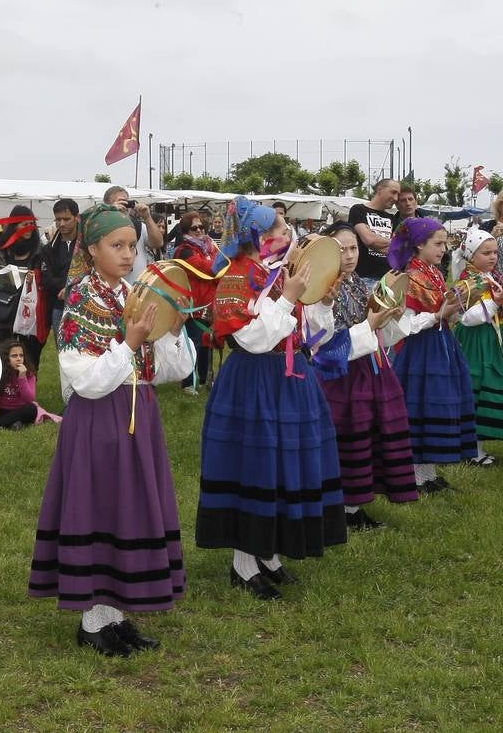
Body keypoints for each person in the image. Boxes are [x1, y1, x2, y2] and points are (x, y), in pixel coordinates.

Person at [29, 203, 193, 657]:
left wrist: (172, 333)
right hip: (99, 418)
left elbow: (164, 372)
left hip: (139, 414)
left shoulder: (131, 294)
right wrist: (132, 343)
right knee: (99, 507)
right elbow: (86, 381)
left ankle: (116, 615)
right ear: (93, 247)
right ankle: (92, 620)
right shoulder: (80, 296)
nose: (126, 254)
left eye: (132, 246)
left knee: (128, 508)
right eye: (116, 245)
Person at [195, 198, 345, 600]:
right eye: (277, 231)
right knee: (256, 465)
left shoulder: (277, 272)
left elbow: (307, 332)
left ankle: (270, 552)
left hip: (290, 379)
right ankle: (244, 564)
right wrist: (289, 298)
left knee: (284, 463)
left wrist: (322, 302)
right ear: (254, 238)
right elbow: (253, 339)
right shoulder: (235, 277)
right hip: (255, 381)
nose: (287, 235)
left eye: (284, 229)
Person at [312, 223, 415, 528]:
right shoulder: (321, 287)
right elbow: (320, 339)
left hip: (369, 366)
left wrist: (389, 315)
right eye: (341, 249)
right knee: (347, 434)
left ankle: (355, 506)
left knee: (369, 433)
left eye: (354, 248)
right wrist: (369, 325)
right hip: (338, 372)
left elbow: (370, 321)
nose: (348, 256)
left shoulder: (356, 281)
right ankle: (339, 507)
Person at [381, 218, 476, 492]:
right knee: (420, 406)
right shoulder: (410, 277)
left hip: (440, 343)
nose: (443, 249)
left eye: (445, 243)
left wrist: (456, 306)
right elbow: (407, 324)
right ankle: (414, 474)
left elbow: (443, 310)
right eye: (437, 243)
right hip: (418, 350)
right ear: (419, 244)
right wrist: (438, 314)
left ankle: (428, 472)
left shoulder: (433, 272)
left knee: (436, 405)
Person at [449, 228, 503, 465]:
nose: (493, 257)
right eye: (486, 253)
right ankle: (472, 450)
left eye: (495, 252)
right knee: (476, 389)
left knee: (484, 389)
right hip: (476, 341)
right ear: (471, 255)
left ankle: (476, 446)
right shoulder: (468, 281)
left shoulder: (490, 276)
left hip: (494, 338)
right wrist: (496, 303)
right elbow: (466, 317)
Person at [0, 205, 46, 368]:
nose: (29, 228)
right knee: (2, 354)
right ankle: (3, 389)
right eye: (23, 224)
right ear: (14, 226)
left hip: (30, 312)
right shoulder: (0, 249)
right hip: (5, 310)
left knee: (31, 355)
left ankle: (27, 388)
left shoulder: (40, 249)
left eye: (31, 224)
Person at [170, 211, 218, 393]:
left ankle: (204, 379)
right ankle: (188, 382)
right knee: (193, 344)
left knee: (207, 344)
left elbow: (218, 269)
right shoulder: (184, 250)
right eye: (194, 227)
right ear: (185, 230)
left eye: (201, 227)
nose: (199, 230)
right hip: (192, 305)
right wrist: (215, 262)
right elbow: (211, 269)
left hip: (208, 304)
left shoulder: (208, 248)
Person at [0, 339, 54, 429]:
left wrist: (22, 377)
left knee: (32, 409)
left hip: (19, 410)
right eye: (14, 356)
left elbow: (29, 399)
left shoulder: (29, 374)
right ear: (6, 358)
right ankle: (11, 423)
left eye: (21, 355)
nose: (19, 359)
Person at [103, 186, 163, 283]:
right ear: (108, 204)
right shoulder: (101, 225)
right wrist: (111, 212)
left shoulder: (138, 226)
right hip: (110, 286)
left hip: (137, 288)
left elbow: (158, 243)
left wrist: (147, 217)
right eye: (120, 202)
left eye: (127, 202)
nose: (124, 206)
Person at [349, 179, 401, 284]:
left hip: (388, 280)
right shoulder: (358, 210)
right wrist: (393, 242)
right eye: (393, 192)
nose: (396, 198)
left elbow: (397, 250)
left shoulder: (392, 218)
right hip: (364, 278)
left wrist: (381, 242)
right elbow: (369, 240)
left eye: (398, 194)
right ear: (380, 190)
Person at [40, 198, 79, 335]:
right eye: (58, 220)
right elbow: (46, 280)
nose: (62, 224)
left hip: (84, 306)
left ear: (77, 218)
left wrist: (71, 287)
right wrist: (71, 284)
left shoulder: (87, 246)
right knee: (63, 353)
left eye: (66, 219)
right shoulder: (48, 249)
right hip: (58, 307)